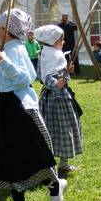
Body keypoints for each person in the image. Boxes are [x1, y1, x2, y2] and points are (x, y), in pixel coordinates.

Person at [0, 8, 67, 201]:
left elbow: (26, 77)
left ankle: (54, 184)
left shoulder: (17, 50)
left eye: (0, 27)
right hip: (6, 106)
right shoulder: (7, 48)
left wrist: (3, 62)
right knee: (10, 158)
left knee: (30, 154)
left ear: (8, 30)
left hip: (18, 108)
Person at [35, 25, 83, 173]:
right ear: (54, 40)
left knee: (49, 130)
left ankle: (55, 163)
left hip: (48, 98)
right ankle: (60, 163)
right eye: (62, 39)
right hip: (58, 99)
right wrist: (57, 83)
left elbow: (41, 75)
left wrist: (66, 72)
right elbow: (49, 78)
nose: (64, 41)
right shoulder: (56, 54)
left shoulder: (45, 52)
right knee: (63, 129)